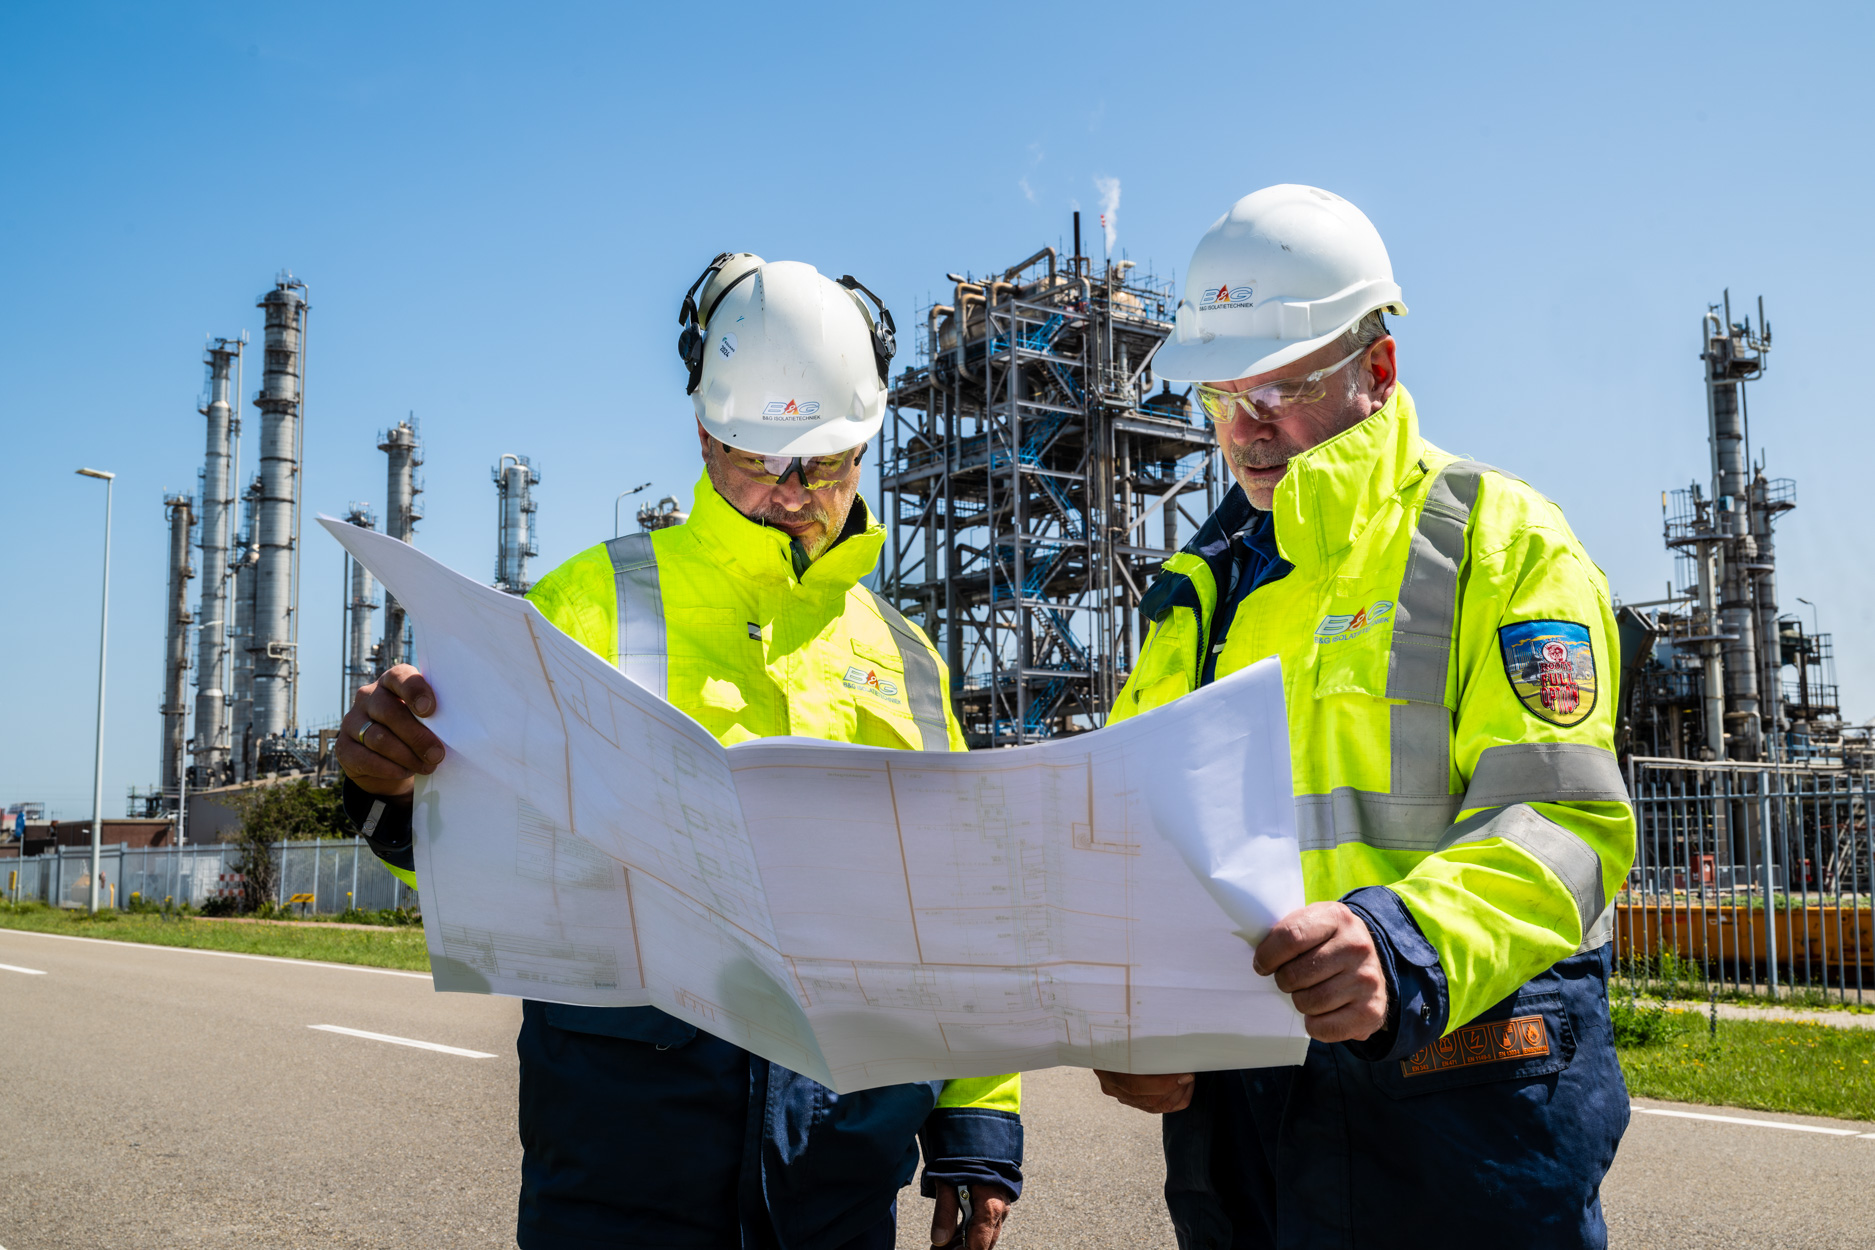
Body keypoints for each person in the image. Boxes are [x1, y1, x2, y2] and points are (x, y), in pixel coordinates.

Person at [336, 254, 1021, 1250]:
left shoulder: (906, 658)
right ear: (703, 432)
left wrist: (976, 1118)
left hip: (842, 1163)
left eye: (820, 463)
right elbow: (465, 838)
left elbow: (956, 904)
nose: (789, 492)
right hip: (626, 1162)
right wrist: (383, 783)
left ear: (868, 442)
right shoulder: (584, 604)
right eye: (755, 459)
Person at [1092, 186, 1634, 1247]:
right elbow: (1125, 841)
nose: (1246, 431)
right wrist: (1138, 1010)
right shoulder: (1193, 593)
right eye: (1221, 395)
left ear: (1376, 371)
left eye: (1282, 389)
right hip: (1241, 1130)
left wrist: (1402, 943)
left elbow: (1567, 822)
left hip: (1457, 1104)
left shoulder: (1496, 539)